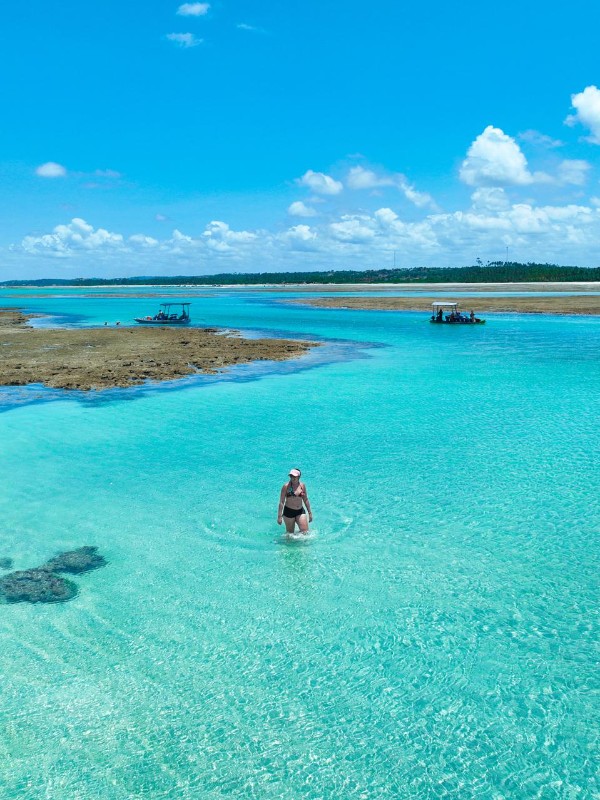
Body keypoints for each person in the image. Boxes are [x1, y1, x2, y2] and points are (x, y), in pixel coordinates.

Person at [277, 468, 312, 534]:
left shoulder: (302, 486)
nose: (292, 478)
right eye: (291, 476)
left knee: (305, 532)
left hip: (300, 511)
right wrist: (279, 516)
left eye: (294, 476)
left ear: (299, 477)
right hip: (288, 512)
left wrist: (310, 513)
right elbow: (281, 502)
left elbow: (306, 499)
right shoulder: (285, 486)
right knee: (290, 534)